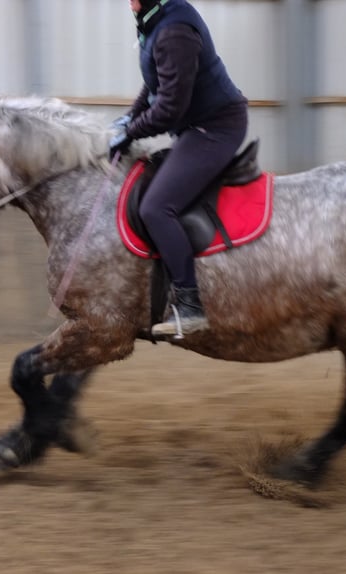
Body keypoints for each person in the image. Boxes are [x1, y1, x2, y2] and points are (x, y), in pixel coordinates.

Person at [109, 0, 249, 336]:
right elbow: (155, 80)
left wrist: (131, 130)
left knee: (156, 207)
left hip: (216, 128)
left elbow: (171, 106)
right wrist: (130, 116)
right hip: (196, 126)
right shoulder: (157, 19)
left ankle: (190, 305)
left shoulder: (174, 31)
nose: (129, 2)